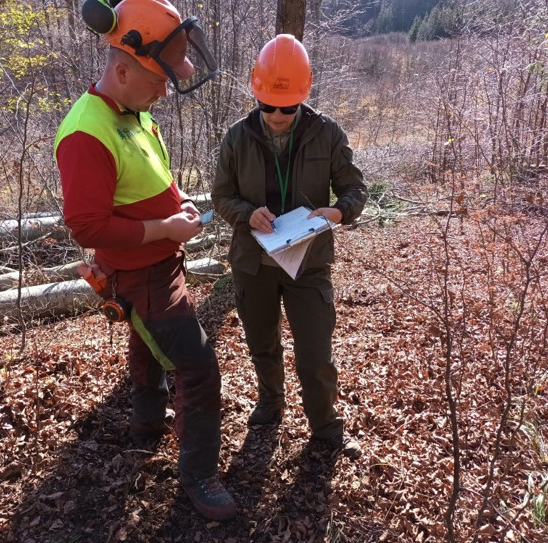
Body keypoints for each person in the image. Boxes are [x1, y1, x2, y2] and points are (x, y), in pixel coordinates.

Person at [55, 0, 236, 521]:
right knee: (197, 368)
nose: (164, 91)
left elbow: (154, 173)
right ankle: (199, 475)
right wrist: (165, 228)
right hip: (140, 272)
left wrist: (176, 201)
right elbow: (87, 227)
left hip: (159, 262)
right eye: (158, 81)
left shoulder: (133, 112)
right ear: (121, 69)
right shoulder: (87, 134)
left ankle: (145, 422)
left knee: (145, 340)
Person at [212, 34, 368, 459]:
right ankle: (270, 404)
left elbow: (355, 190)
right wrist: (247, 213)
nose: (277, 115)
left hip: (309, 263)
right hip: (253, 263)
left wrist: (338, 213)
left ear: (303, 96)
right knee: (262, 344)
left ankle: (325, 426)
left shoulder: (327, 134)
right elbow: (220, 196)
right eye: (268, 107)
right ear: (256, 94)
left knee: (315, 353)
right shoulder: (236, 138)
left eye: (287, 107)